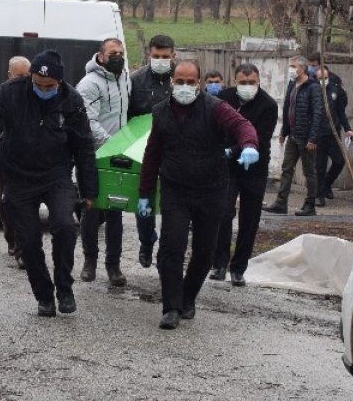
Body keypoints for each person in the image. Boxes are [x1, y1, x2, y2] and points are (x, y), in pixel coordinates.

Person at [137, 60, 260, 330]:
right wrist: (145, 194)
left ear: (199, 83)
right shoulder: (161, 112)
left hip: (211, 189)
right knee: (172, 246)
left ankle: (188, 297)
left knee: (205, 251)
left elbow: (242, 125)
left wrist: (249, 144)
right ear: (172, 82)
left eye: (190, 82)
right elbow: (152, 155)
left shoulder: (215, 108)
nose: (184, 86)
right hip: (175, 188)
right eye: (180, 81)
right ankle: (171, 307)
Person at [0, 51, 98, 317]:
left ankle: (64, 288)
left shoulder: (72, 100)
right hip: (19, 176)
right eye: (38, 84)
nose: (43, 90)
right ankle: (44, 296)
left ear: (59, 82)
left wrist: (89, 191)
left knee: (65, 227)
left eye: (49, 86)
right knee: (28, 241)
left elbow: (84, 147)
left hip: (56, 174)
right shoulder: (10, 92)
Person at [211, 64, 278, 286]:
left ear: (258, 82)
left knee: (250, 219)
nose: (247, 86)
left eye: (252, 83)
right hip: (227, 167)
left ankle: (238, 268)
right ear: (234, 81)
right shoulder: (224, 98)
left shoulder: (268, 105)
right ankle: (219, 263)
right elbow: (216, 128)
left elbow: (260, 138)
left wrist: (233, 151)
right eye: (243, 82)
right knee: (223, 213)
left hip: (254, 166)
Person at [76, 38, 130, 287]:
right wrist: (110, 143)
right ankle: (89, 262)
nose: (118, 56)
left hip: (118, 155)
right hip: (94, 155)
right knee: (91, 209)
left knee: (115, 211)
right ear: (100, 56)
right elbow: (88, 121)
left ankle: (113, 266)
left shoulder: (124, 79)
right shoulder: (89, 84)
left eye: (120, 52)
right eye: (112, 53)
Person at [127, 34, 175, 268]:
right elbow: (129, 116)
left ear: (173, 55)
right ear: (149, 54)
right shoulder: (136, 81)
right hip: (144, 149)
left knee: (173, 203)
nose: (161, 60)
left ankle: (167, 250)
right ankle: (147, 241)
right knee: (144, 200)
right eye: (157, 56)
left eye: (165, 56)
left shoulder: (181, 78)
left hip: (175, 148)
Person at [265, 55, 324, 217]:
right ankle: (281, 203)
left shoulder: (313, 87)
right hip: (292, 134)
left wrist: (312, 138)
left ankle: (310, 204)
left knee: (309, 171)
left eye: (294, 66)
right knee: (286, 168)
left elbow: (318, 113)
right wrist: (284, 131)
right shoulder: (292, 84)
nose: (291, 69)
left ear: (303, 69)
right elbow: (287, 108)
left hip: (306, 136)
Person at [0, 56, 30, 268]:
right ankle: (11, 239)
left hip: (29, 158)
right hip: (4, 156)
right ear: (9, 75)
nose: (23, 79)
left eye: (27, 75)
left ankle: (23, 250)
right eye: (19, 75)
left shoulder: (37, 95)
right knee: (6, 202)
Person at [312, 62, 353, 207]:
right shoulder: (313, 91)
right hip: (318, 134)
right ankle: (319, 196)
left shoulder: (335, 89)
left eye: (325, 78)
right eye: (320, 78)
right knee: (320, 166)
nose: (323, 81)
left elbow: (341, 112)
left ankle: (326, 184)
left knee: (339, 161)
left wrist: (347, 129)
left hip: (333, 133)